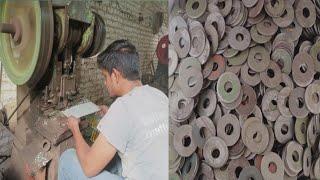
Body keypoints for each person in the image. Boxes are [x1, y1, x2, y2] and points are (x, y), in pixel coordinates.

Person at [58, 40, 168, 180]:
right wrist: (111, 114)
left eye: (105, 76)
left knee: (67, 159)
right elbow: (137, 121)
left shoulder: (123, 106)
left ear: (115, 75)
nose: (105, 82)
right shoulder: (159, 95)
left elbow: (88, 168)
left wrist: (75, 129)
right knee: (114, 158)